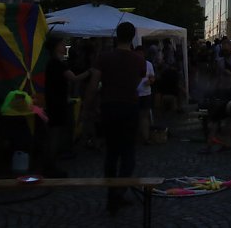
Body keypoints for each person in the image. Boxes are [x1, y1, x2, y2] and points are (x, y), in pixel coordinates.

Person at [85, 22, 146, 215]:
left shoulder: (104, 57)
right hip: (130, 107)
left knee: (111, 152)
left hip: (109, 107)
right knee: (128, 153)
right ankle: (120, 191)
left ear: (116, 36)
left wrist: (87, 106)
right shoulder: (139, 60)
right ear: (133, 36)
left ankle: (112, 195)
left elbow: (94, 85)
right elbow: (138, 80)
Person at [43, 37, 90, 177]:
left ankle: (50, 164)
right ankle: (50, 166)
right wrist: (90, 72)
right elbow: (74, 78)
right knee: (55, 135)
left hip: (54, 102)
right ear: (56, 47)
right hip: (57, 103)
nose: (64, 46)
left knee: (54, 133)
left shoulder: (53, 63)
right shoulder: (57, 64)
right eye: (62, 44)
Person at [136, 46, 155, 144]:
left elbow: (152, 77)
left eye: (141, 54)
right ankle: (137, 136)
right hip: (135, 94)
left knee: (144, 116)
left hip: (146, 93)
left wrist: (150, 81)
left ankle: (145, 137)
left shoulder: (148, 64)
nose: (139, 55)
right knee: (135, 116)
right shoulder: (132, 64)